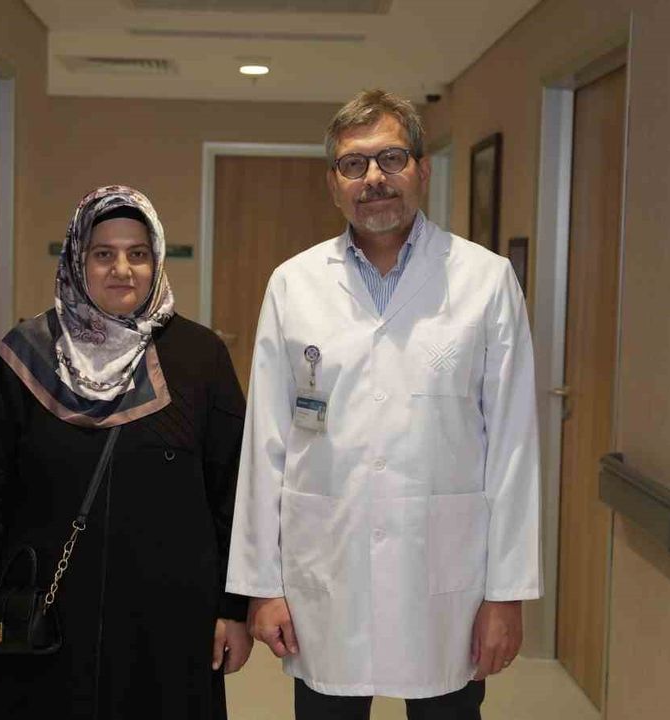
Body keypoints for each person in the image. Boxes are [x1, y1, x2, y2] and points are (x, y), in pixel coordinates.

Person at [226, 90, 542, 718]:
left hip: (445, 578)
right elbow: (265, 445)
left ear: (422, 170)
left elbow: (513, 448)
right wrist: (261, 585)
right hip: (327, 573)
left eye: (391, 158)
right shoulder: (293, 284)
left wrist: (506, 594)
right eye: (353, 164)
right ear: (333, 183)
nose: (373, 177)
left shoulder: (486, 281)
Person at [0, 185, 253, 719]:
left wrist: (233, 608)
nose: (121, 269)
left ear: (156, 261)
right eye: (103, 253)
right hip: (42, 619)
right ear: (77, 260)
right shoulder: (27, 356)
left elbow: (233, 494)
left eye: (138, 254)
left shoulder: (200, 358)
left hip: (167, 624)